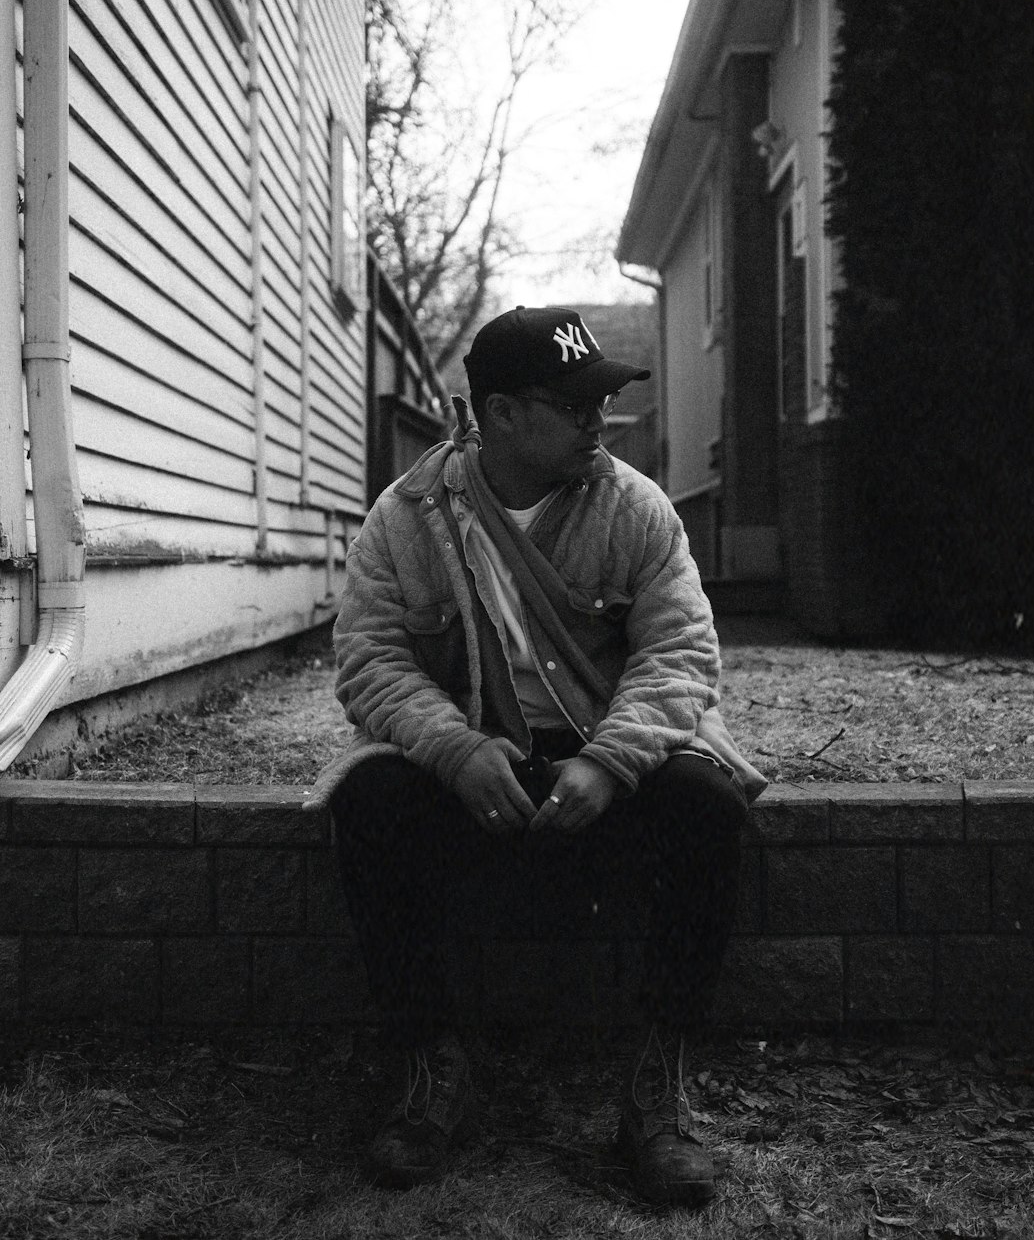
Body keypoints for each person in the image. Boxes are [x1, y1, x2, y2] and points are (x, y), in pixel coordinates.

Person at [305, 305, 766, 1206]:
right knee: (369, 804)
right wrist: (451, 748)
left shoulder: (636, 509)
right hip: (476, 754)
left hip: (604, 758)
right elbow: (369, 658)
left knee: (708, 804)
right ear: (502, 415)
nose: (601, 419)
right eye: (576, 402)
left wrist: (613, 761)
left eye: (603, 399)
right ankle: (430, 1065)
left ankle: (656, 1090)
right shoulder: (404, 521)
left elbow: (682, 656)